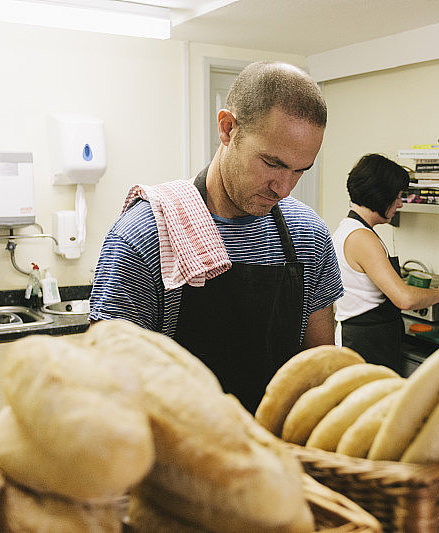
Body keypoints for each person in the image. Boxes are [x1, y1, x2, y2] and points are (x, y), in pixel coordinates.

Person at [90, 61, 344, 412]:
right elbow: (108, 389)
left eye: (300, 170)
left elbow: (320, 372)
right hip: (180, 454)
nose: (283, 188)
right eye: (272, 163)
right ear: (227, 128)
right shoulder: (147, 234)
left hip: (280, 452)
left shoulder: (308, 235)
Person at [332, 153, 439, 373]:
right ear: (380, 195)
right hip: (365, 347)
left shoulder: (349, 230)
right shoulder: (361, 238)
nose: (401, 204)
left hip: (368, 341)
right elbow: (404, 299)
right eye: (398, 196)